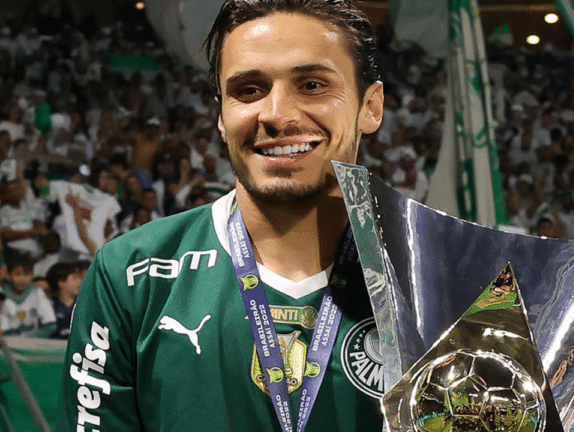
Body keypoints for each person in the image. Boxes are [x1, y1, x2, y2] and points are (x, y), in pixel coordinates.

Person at [56, 0, 385, 431]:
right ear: (222, 115)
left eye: (312, 85)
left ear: (370, 106)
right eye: (249, 90)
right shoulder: (132, 274)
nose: (276, 115)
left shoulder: (437, 275)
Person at [0, 252, 56, 337]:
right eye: (17, 274)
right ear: (9, 275)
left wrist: (29, 339)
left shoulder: (37, 293)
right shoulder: (2, 294)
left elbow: (51, 325)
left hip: (30, 344)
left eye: (26, 274)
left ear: (32, 275)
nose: (22, 279)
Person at [46, 262, 83, 339]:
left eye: (80, 278)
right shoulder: (48, 307)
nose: (80, 282)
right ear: (61, 283)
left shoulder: (85, 306)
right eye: (75, 278)